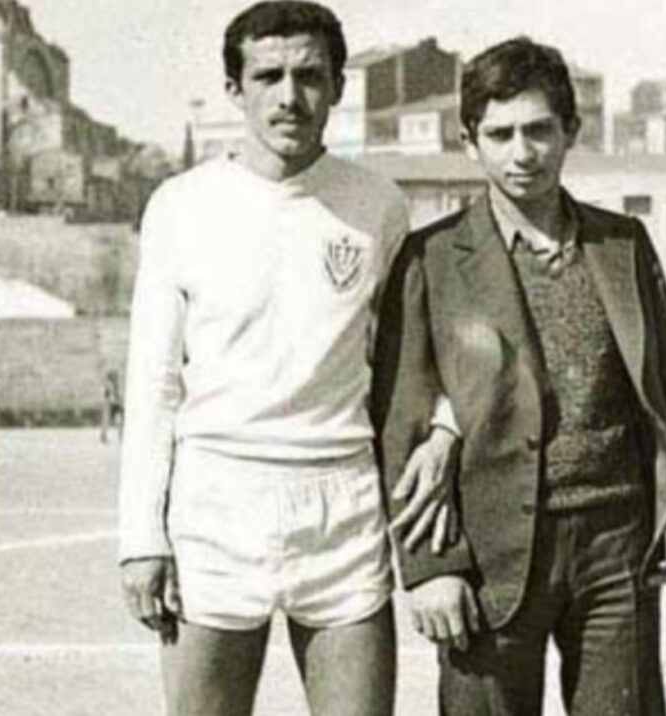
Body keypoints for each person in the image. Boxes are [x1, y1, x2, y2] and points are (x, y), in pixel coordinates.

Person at [118, 3, 454, 715]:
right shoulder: (181, 205)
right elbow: (153, 383)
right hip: (217, 498)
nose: (289, 97)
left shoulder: (377, 204)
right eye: (268, 76)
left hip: (341, 500)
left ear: (338, 87)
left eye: (309, 76)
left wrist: (448, 426)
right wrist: (141, 538)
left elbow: (417, 357)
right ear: (234, 89)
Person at [373, 37, 666, 716]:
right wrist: (430, 569)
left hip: (617, 546)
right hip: (490, 552)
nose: (522, 152)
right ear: (469, 142)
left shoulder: (623, 243)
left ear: (571, 131)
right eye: (500, 134)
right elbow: (401, 425)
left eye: (538, 130)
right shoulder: (431, 259)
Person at [100, 369, 123, 443]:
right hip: (110, 404)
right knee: (108, 420)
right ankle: (104, 436)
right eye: (114, 377)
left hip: (114, 404)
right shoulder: (109, 385)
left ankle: (120, 436)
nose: (116, 379)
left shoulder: (116, 385)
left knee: (117, 421)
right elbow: (107, 395)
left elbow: (115, 395)